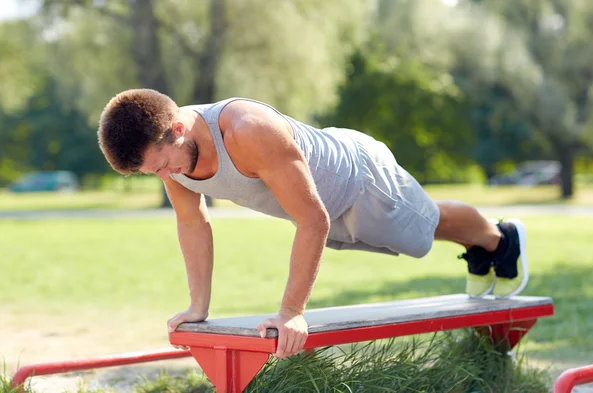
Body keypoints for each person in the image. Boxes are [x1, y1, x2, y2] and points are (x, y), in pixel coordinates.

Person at [97, 89, 529, 359]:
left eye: (162, 164)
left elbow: (312, 218)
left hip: (360, 181)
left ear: (177, 128)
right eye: (153, 172)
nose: (165, 176)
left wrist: (291, 313)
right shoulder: (173, 160)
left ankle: (499, 241)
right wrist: (198, 307)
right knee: (419, 231)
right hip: (321, 206)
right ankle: (485, 245)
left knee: (423, 230)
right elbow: (193, 224)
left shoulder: (246, 130)